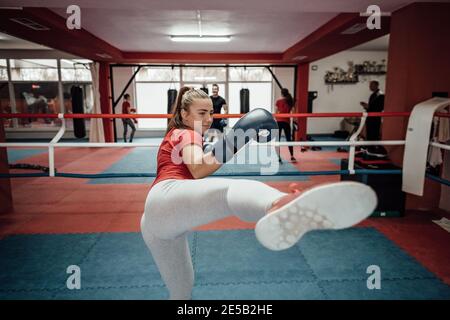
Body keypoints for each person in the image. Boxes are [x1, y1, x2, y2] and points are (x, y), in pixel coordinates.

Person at [140, 87, 377, 300]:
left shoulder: (181, 136)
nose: (209, 119)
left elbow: (198, 164)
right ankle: (279, 204)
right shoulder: (186, 133)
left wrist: (234, 140)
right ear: (184, 115)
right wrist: (239, 137)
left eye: (211, 113)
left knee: (182, 290)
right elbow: (199, 168)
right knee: (233, 189)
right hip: (166, 197)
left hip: (155, 222)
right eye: (201, 114)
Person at [360, 81, 385, 156]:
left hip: (375, 117)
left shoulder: (380, 94)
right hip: (370, 116)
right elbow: (372, 106)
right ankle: (369, 148)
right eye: (369, 85)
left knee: (374, 133)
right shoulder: (373, 95)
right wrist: (367, 106)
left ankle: (373, 149)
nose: (370, 87)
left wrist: (368, 107)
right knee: (370, 133)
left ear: (376, 85)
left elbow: (378, 107)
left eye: (371, 85)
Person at [275, 88, 296, 162]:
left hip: (279, 122)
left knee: (278, 140)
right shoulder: (290, 101)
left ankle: (278, 157)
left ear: (281, 94)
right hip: (286, 122)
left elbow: (276, 112)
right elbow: (293, 112)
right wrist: (295, 121)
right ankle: (292, 156)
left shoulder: (278, 101)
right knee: (289, 139)